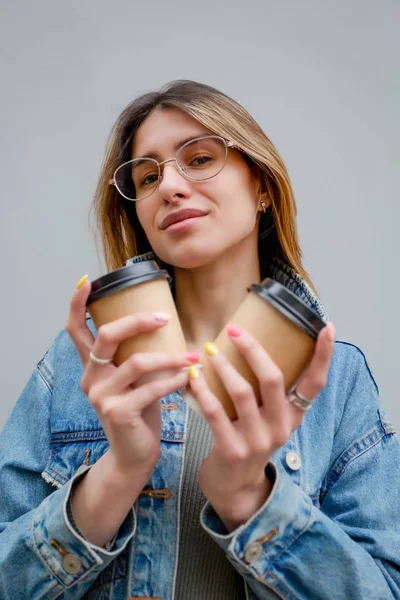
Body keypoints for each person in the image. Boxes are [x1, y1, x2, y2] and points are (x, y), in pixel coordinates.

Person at [0, 80, 399, 600]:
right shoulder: (80, 363)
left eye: (201, 157)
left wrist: (250, 499)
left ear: (262, 188)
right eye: (147, 177)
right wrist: (119, 472)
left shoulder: (337, 380)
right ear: (141, 214)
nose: (169, 186)